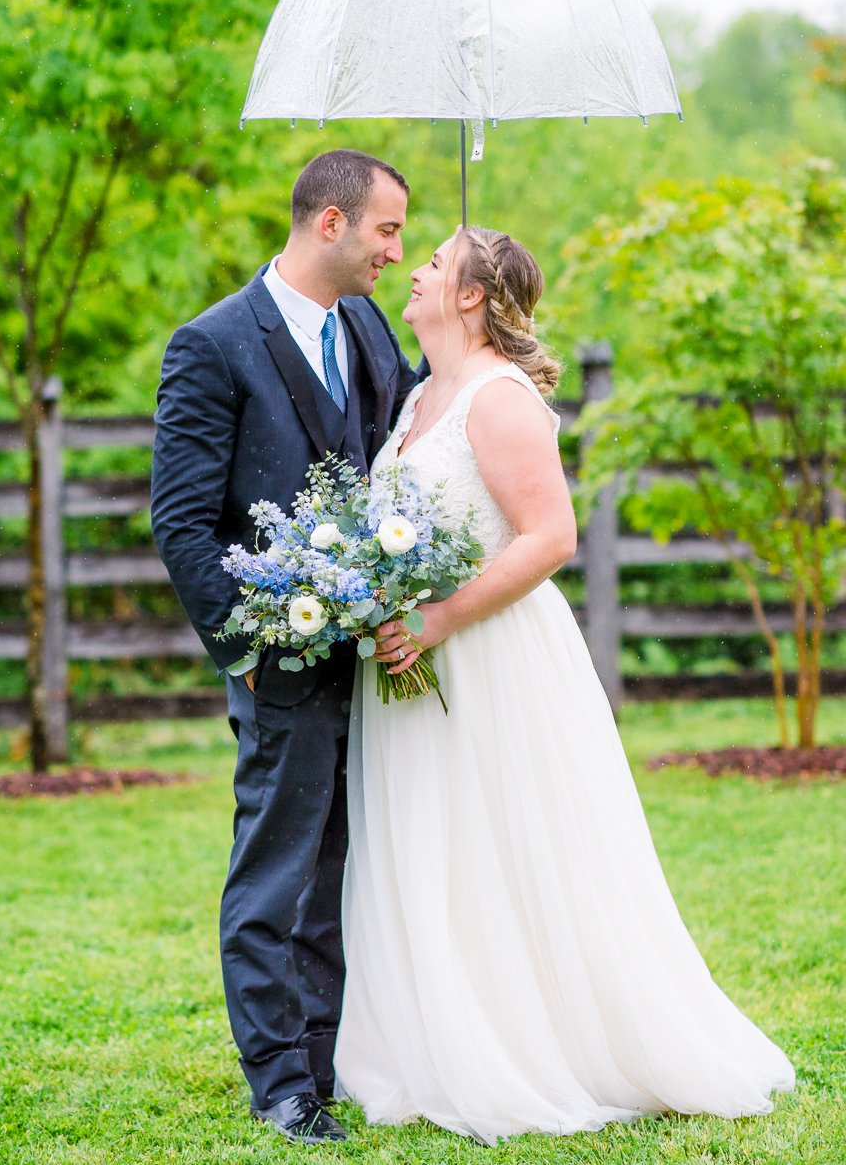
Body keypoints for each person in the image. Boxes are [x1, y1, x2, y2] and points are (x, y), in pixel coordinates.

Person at [333, 225, 795, 1144]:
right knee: (437, 842)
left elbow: (551, 538)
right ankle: (441, 1036)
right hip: (414, 658)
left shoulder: (496, 398)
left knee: (512, 841)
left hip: (491, 654)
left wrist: (437, 619)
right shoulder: (424, 394)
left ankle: (541, 1044)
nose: (415, 269)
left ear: (470, 295)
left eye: (433, 260)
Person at [150, 150, 421, 1145]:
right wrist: (247, 646)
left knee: (343, 863)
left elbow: (393, 443)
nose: (396, 250)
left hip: (373, 650)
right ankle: (278, 1080)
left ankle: (324, 1056)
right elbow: (180, 521)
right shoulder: (211, 344)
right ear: (329, 224)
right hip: (281, 654)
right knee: (277, 868)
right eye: (387, 230)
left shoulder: (365, 325)